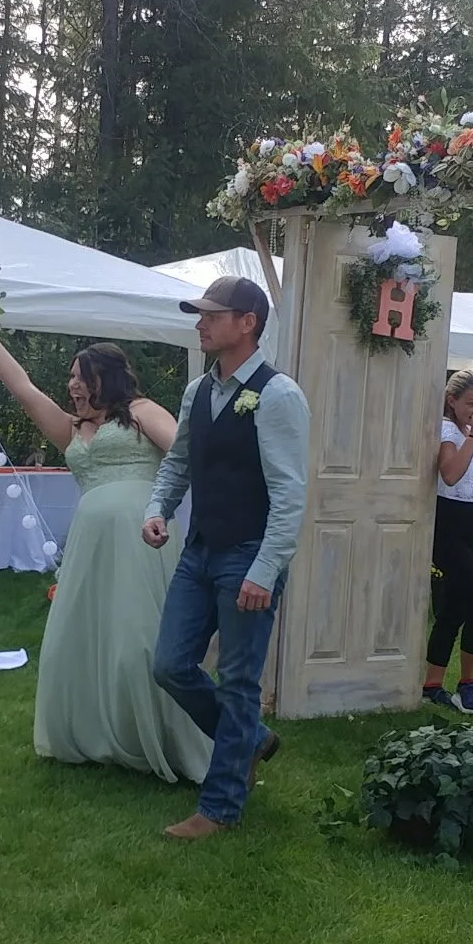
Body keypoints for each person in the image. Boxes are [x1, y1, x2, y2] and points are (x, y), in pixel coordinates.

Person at [0, 310, 210, 784]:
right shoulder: (71, 429)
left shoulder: (141, 412)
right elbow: (23, 388)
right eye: (71, 377)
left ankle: (166, 738)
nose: (72, 385)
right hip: (90, 548)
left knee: (138, 643)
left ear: (106, 379)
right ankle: (96, 736)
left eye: (81, 377)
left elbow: (183, 454)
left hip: (140, 544)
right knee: (81, 641)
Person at [143, 276, 310, 841]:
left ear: (248, 322)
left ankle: (219, 808)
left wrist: (265, 570)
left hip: (248, 555)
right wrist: (158, 508)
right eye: (200, 314)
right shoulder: (198, 392)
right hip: (199, 551)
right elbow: (178, 462)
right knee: (169, 664)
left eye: (211, 315)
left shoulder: (278, 394)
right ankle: (253, 739)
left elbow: (290, 495)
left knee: (238, 682)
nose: (200, 323)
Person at [424, 370, 473, 713]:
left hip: (470, 523)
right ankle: (468, 683)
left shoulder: (470, 434)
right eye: (470, 402)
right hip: (448, 526)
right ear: (451, 401)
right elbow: (451, 475)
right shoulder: (447, 431)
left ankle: (432, 683)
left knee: (452, 608)